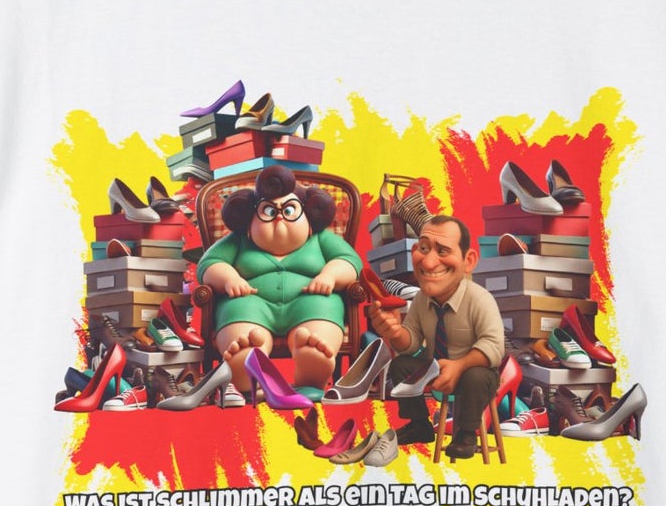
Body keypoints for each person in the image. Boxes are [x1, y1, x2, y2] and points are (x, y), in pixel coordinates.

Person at [197, 164, 360, 392]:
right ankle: (246, 365)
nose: (279, 217)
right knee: (243, 328)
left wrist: (330, 275)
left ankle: (311, 366)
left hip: (310, 303)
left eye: (290, 210)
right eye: (269, 211)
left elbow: (350, 260)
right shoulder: (239, 240)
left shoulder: (320, 238)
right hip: (250, 304)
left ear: (309, 219)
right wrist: (229, 278)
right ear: (250, 221)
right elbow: (209, 263)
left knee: (318, 323)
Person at [365, 215, 505, 458]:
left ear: (468, 260)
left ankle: (466, 434)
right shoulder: (422, 299)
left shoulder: (480, 299)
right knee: (401, 365)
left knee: (475, 377)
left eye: (442, 251)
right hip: (436, 367)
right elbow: (411, 343)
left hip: (474, 373)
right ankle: (420, 424)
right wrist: (395, 333)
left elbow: (493, 347)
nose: (429, 263)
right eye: (423, 248)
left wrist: (459, 366)